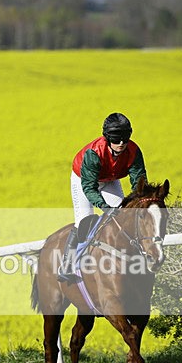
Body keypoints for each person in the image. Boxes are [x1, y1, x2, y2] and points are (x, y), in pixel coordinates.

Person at [58, 112, 148, 282]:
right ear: (107, 138)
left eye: (125, 138)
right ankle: (67, 264)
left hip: (109, 180)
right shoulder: (94, 153)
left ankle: (130, 259)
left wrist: (139, 201)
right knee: (84, 220)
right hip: (83, 180)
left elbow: (139, 181)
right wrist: (103, 205)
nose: (121, 143)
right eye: (116, 139)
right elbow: (90, 188)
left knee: (123, 216)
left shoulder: (133, 151)